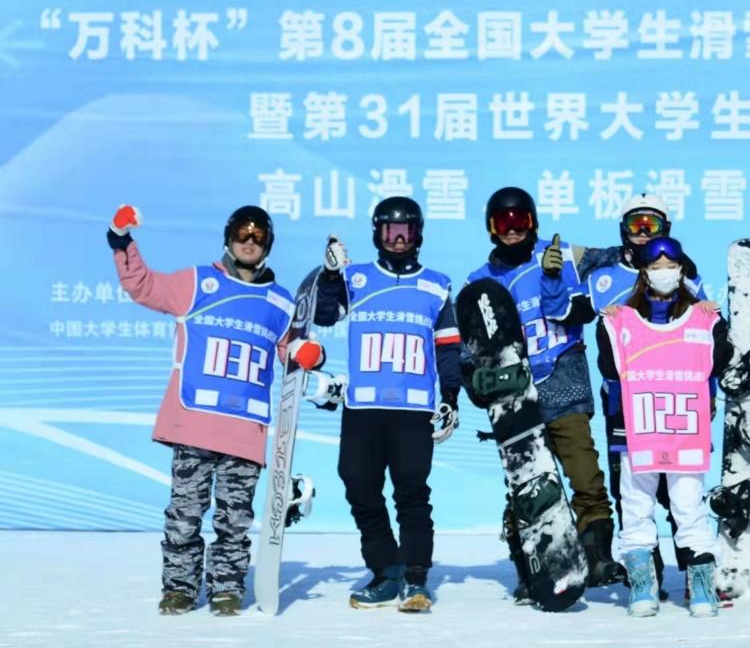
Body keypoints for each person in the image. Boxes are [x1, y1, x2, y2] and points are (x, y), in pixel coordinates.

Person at [106, 203, 323, 617]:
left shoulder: (280, 303)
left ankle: (226, 588)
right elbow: (143, 286)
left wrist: (310, 353)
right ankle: (180, 588)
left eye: (259, 236)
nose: (249, 241)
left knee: (234, 519)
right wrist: (121, 239)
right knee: (184, 515)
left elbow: (292, 352)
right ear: (228, 237)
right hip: (195, 423)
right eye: (242, 233)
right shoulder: (197, 283)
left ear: (268, 246)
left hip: (245, 431)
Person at [464, 187, 622, 597]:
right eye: (503, 223)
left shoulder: (562, 255)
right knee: (527, 489)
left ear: (533, 222)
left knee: (586, 476)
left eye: (520, 221)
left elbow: (623, 259)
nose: (512, 230)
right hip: (516, 401)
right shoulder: (480, 284)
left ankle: (598, 558)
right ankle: (532, 566)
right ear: (490, 228)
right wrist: (475, 382)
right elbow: (471, 347)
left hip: (564, 385)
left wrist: (667, 259)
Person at [311, 196, 462, 611]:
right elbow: (324, 315)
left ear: (418, 235)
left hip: (413, 410)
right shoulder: (356, 278)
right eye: (390, 231)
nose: (398, 239)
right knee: (358, 484)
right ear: (377, 234)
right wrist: (329, 275)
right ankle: (385, 571)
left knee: (412, 492)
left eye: (406, 231)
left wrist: (451, 397)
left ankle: (415, 578)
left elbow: (448, 348)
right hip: (363, 408)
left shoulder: (436, 285)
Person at [572, 193, 709, 598]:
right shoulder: (602, 277)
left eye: (652, 225)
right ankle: (648, 579)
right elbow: (565, 309)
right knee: (631, 490)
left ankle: (695, 576)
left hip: (678, 401)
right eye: (636, 225)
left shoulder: (687, 276)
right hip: (626, 403)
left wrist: (709, 395)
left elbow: (704, 343)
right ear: (623, 230)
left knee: (679, 491)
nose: (643, 233)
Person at [595, 236, 732, 617]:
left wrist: (709, 315)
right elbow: (609, 367)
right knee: (635, 506)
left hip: (684, 429)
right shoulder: (620, 321)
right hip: (635, 428)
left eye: (670, 267)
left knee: (688, 505)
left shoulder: (704, 320)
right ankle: (643, 584)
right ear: (643, 272)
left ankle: (701, 585)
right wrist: (613, 320)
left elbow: (720, 359)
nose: (663, 273)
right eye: (655, 267)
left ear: (682, 270)